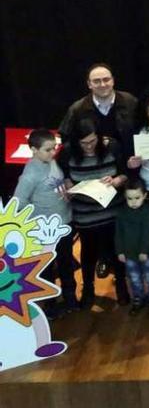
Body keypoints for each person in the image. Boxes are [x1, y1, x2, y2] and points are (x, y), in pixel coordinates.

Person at [58, 118, 129, 308]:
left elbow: (125, 173)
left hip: (112, 210)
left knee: (116, 251)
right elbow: (62, 176)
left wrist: (116, 181)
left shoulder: (111, 147)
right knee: (88, 252)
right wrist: (66, 183)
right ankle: (88, 289)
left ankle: (122, 286)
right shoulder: (67, 153)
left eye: (92, 141)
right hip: (84, 214)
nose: (89, 146)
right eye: (84, 143)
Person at [13, 129, 76, 316]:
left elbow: (56, 181)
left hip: (64, 222)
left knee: (66, 263)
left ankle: (70, 297)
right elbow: (18, 202)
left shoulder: (51, 161)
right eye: (48, 150)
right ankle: (50, 304)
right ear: (33, 149)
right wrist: (34, 223)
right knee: (47, 268)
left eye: (54, 148)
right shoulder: (29, 175)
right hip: (45, 231)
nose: (53, 152)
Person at [58, 63, 138, 145]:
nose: (102, 85)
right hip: (93, 157)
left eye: (106, 79)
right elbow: (65, 139)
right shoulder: (77, 109)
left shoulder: (130, 102)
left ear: (113, 81)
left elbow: (144, 129)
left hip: (129, 157)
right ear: (89, 84)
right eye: (96, 81)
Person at [114, 179, 149, 316]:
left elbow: (148, 233)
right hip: (129, 253)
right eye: (130, 198)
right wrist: (120, 251)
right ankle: (138, 299)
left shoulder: (147, 212)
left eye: (137, 198)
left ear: (145, 196)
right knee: (134, 278)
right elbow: (119, 233)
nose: (134, 202)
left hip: (148, 253)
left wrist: (144, 251)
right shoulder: (122, 213)